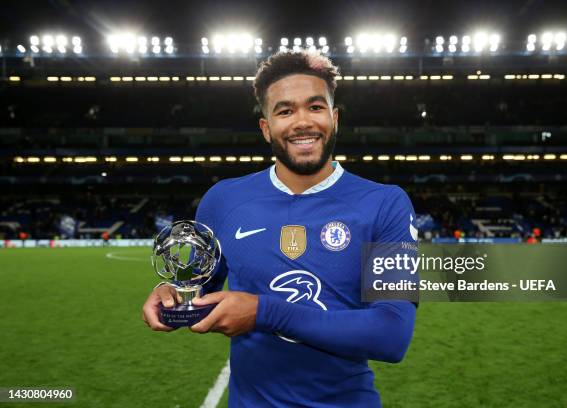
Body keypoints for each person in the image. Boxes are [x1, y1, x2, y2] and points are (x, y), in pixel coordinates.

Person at [142, 50, 418, 407]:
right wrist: (168, 295)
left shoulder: (386, 204)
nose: (302, 121)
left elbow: (392, 335)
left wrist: (263, 312)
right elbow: (192, 289)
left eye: (316, 107)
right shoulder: (223, 200)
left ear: (335, 119)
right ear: (266, 127)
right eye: (285, 111)